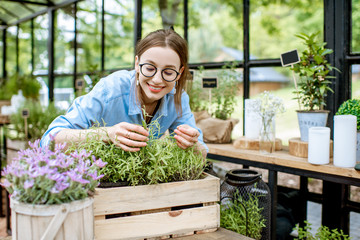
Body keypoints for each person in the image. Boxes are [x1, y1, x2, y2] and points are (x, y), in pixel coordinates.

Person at [40, 28, 208, 158]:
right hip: (91, 179)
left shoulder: (177, 98)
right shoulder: (111, 90)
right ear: (137, 63)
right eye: (149, 68)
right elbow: (50, 139)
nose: (157, 79)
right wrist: (107, 134)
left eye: (169, 72)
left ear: (180, 72)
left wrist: (192, 144)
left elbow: (202, 154)